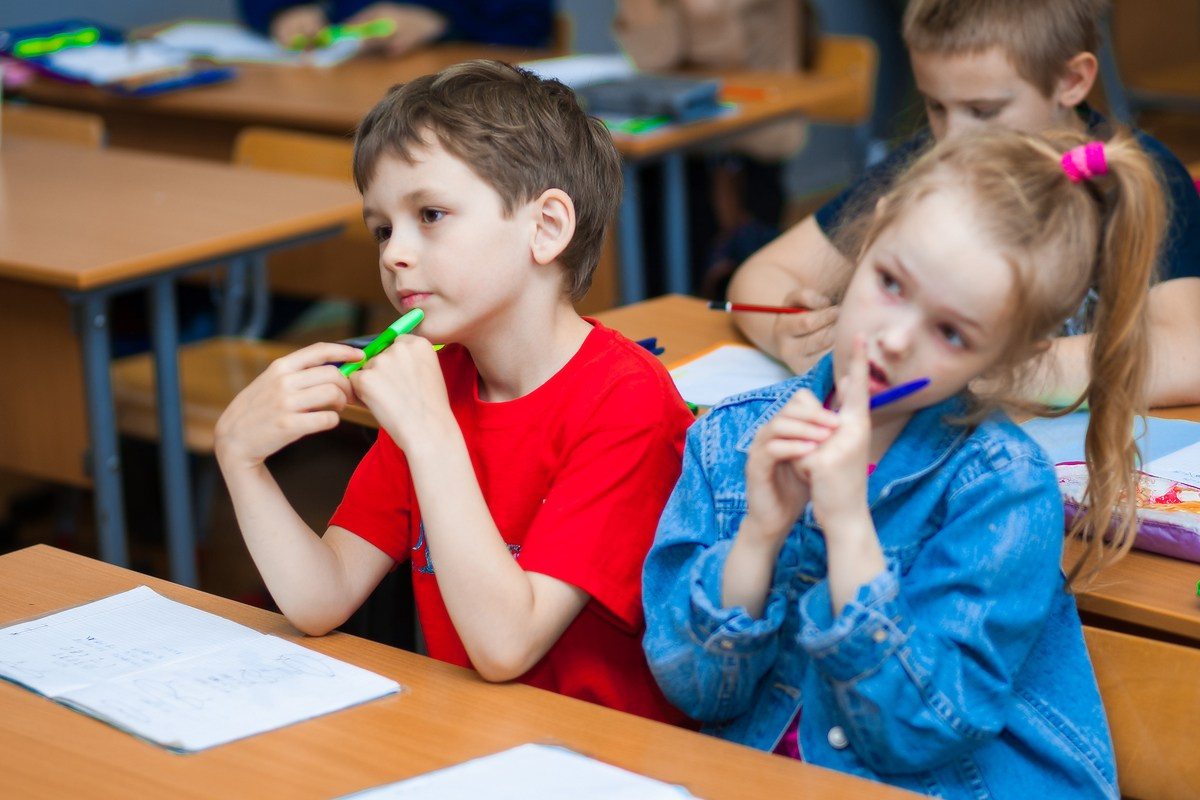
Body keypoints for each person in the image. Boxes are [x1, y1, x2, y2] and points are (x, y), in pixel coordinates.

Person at [643, 127, 1164, 797]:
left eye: (950, 332)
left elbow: (917, 730)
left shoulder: (1004, 489)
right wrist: (759, 537)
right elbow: (691, 688)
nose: (893, 340)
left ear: (1009, 356)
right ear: (873, 236)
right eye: (891, 283)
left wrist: (848, 528)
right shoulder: (733, 436)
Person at [214, 60, 693, 725]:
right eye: (383, 228)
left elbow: (506, 646)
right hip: (469, 733)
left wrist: (429, 433)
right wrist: (240, 458)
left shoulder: (626, 402)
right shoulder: (437, 386)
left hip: (602, 751)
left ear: (546, 227)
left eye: (430, 215)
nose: (393, 254)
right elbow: (322, 598)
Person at [726, 0, 1200, 408]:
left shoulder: (1137, 176)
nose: (953, 138)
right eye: (935, 107)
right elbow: (762, 274)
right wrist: (788, 334)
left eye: (983, 111)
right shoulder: (932, 163)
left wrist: (987, 367)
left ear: (1071, 80)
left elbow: (1186, 353)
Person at [612, 0, 814, 300]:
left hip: (746, 148)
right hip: (679, 149)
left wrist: (694, 11)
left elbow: (720, 54)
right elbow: (653, 58)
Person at [238, 1, 555, 56]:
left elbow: (529, 23)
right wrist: (282, 10)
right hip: (334, 72)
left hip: (453, 92)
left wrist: (441, 24)